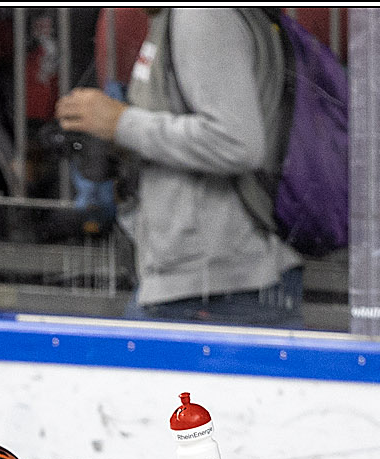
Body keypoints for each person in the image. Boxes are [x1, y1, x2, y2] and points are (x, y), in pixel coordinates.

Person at [55, 7, 306, 327]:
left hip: (219, 286)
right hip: (203, 278)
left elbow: (236, 142)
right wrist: (117, 138)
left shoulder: (201, 15)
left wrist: (122, 123)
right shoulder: (179, 17)